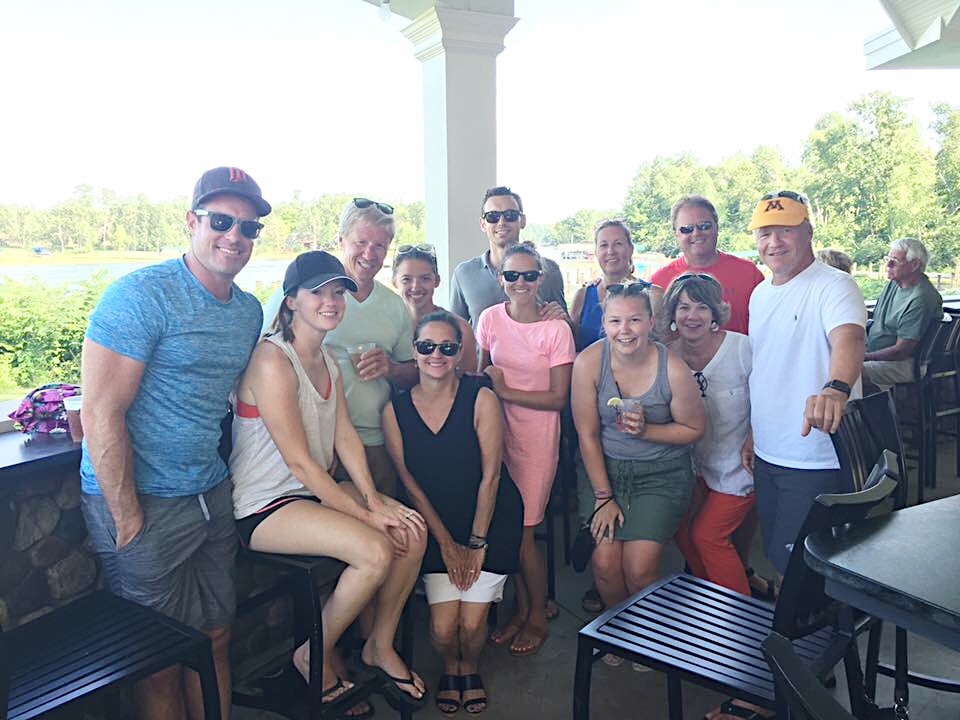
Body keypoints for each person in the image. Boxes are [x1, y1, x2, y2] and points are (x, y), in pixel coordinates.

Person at [79, 166, 271, 719]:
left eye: (248, 227)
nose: (234, 236)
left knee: (216, 638)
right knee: (158, 661)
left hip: (209, 492)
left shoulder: (247, 311)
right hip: (145, 503)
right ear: (191, 221)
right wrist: (127, 518)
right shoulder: (141, 296)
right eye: (220, 221)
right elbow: (100, 411)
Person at [230, 251, 428, 714]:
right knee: (374, 551)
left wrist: (374, 498)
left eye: (338, 292)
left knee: (411, 531)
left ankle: (378, 645)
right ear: (291, 300)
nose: (331, 301)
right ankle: (311, 655)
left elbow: (346, 437)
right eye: (317, 292)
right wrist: (366, 514)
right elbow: (300, 463)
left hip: (309, 496)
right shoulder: (272, 359)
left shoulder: (327, 360)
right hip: (266, 507)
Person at [383, 310, 523, 715]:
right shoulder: (394, 410)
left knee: (473, 625)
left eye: (447, 347)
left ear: (460, 353)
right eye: (427, 346)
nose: (437, 355)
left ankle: (470, 667)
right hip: (435, 526)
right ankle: (451, 666)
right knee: (444, 630)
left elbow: (491, 476)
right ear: (414, 352)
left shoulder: (481, 397)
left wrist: (475, 544)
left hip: (489, 520)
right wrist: (446, 544)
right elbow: (408, 481)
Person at [571, 281, 704, 668]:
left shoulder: (672, 368)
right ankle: (621, 630)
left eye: (634, 320)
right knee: (605, 564)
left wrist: (646, 431)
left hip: (661, 474)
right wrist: (603, 497)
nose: (624, 330)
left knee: (639, 567)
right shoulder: (589, 363)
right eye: (615, 321)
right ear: (604, 324)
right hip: (605, 472)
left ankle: (647, 633)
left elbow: (695, 429)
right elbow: (587, 434)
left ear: (650, 322)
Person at [264, 198, 418, 497]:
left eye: (380, 246)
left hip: (373, 441)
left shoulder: (394, 305)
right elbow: (264, 359)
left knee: (384, 516)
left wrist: (391, 369)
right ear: (341, 240)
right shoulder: (296, 298)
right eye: (361, 242)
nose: (369, 254)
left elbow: (414, 374)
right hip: (309, 441)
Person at [748, 190, 866, 576]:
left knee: (803, 569)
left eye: (786, 230)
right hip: (768, 451)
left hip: (815, 456)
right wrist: (752, 432)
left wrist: (836, 388)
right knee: (776, 555)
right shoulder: (759, 294)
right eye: (765, 233)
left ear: (808, 232)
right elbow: (765, 368)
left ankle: (813, 619)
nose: (774, 242)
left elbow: (849, 338)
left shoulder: (834, 285)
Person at [476, 243, 575, 657]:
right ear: (500, 279)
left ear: (541, 280)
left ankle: (537, 615)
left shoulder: (556, 330)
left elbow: (557, 398)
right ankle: (521, 608)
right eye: (512, 275)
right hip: (496, 435)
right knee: (508, 528)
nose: (521, 282)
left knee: (525, 532)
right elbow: (481, 375)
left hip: (536, 439)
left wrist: (506, 392)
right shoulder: (489, 319)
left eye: (529, 275)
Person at [662, 274, 754, 596]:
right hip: (692, 466)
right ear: (672, 314)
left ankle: (740, 616)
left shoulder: (742, 348)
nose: (692, 315)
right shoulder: (666, 355)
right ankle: (711, 602)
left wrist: (754, 436)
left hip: (739, 466)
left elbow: (771, 399)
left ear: (716, 313)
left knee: (707, 535)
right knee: (682, 529)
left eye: (702, 307)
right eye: (683, 307)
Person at [450, 186, 568, 328]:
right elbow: (453, 331)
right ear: (483, 224)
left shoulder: (549, 269)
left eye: (510, 215)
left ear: (522, 220)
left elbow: (568, 328)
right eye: (492, 216)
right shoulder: (464, 273)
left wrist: (561, 316)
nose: (501, 222)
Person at [651, 195, 764, 334]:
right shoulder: (658, 283)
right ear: (676, 234)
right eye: (687, 229)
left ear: (717, 227)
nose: (696, 233)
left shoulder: (749, 273)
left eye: (704, 226)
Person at [569, 218, 663, 351]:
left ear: (631, 249)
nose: (610, 251)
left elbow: (664, 345)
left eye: (618, 244)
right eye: (603, 245)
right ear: (596, 252)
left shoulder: (653, 295)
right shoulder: (582, 296)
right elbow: (570, 347)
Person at [863, 238, 942, 390]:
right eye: (888, 259)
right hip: (876, 353)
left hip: (905, 363)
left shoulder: (921, 298)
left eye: (894, 261)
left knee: (848, 371)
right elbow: (877, 317)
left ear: (915, 265)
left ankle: (875, 405)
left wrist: (864, 357)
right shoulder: (894, 284)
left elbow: (902, 351)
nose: (887, 265)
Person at [391, 243, 478, 373]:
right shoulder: (386, 327)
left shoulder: (460, 328)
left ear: (437, 280)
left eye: (425, 279)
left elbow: (470, 379)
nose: (416, 287)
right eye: (406, 279)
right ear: (394, 281)